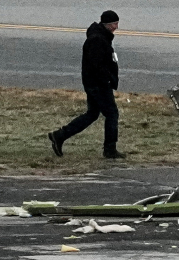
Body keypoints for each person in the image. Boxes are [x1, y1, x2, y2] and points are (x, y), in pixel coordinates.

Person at [49, 9, 124, 159]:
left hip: (95, 84)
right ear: (108, 24)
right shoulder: (97, 40)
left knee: (92, 114)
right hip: (98, 85)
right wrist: (106, 80)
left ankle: (60, 135)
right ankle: (110, 149)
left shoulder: (101, 37)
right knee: (112, 114)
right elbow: (97, 65)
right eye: (115, 24)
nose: (116, 26)